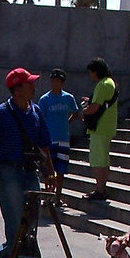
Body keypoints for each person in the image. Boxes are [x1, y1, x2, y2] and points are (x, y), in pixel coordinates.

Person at [0, 67, 55, 258]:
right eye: (29, 84)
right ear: (17, 90)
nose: (34, 87)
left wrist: (50, 173)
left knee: (33, 219)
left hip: (31, 172)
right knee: (14, 219)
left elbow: (44, 145)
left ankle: (23, 256)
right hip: (9, 172)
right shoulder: (1, 113)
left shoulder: (36, 111)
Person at [38, 68, 80, 203]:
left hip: (63, 138)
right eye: (53, 81)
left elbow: (76, 112)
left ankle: (58, 197)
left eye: (58, 81)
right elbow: (39, 118)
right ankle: (48, 196)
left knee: (61, 169)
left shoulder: (68, 98)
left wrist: (67, 122)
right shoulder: (44, 99)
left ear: (62, 83)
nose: (55, 84)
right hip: (49, 140)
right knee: (48, 169)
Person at [81, 57, 118, 202]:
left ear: (96, 72)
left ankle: (100, 189)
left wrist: (84, 110)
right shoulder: (110, 83)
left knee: (98, 160)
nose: (90, 76)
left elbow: (95, 107)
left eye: (91, 72)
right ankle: (102, 188)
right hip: (107, 126)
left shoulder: (102, 85)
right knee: (104, 159)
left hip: (100, 127)